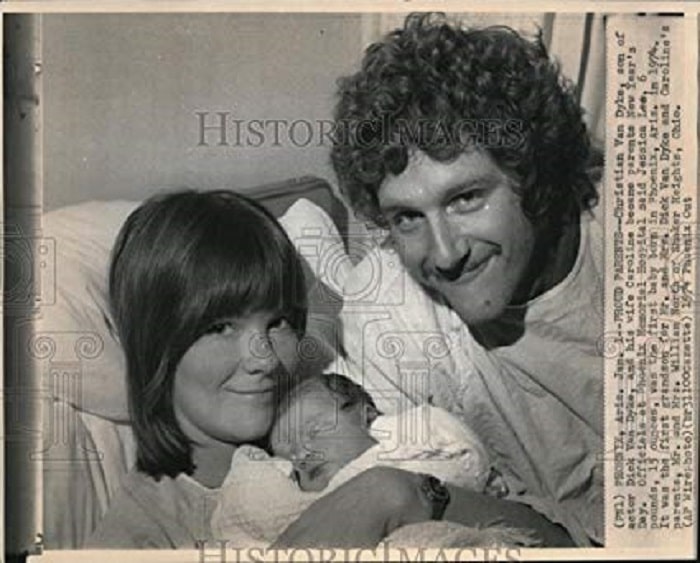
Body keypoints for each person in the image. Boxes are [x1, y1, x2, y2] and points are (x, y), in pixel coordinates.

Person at [331, 13, 604, 546]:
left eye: (465, 198)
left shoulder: (654, 239)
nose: (445, 254)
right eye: (407, 217)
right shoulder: (386, 310)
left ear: (535, 175)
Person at [85, 190, 436, 548]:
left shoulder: (337, 419)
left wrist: (391, 491)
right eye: (220, 327)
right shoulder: (142, 536)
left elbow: (488, 505)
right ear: (155, 345)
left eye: (279, 321)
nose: (266, 358)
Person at [211, 373, 549, 548]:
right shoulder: (301, 501)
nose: (301, 455)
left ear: (368, 417)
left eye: (315, 431)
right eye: (288, 454)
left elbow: (462, 457)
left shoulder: (410, 444)